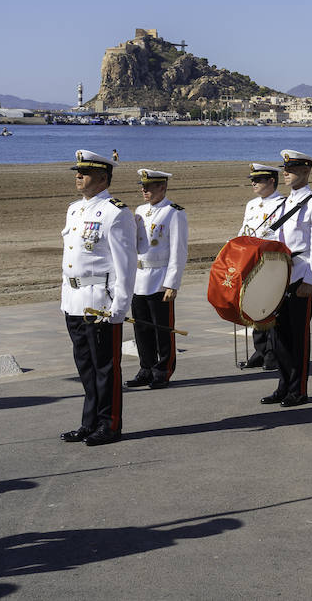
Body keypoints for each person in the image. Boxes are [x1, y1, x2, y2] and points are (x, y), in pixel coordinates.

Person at [60, 150, 137, 446]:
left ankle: (109, 424)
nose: (78, 176)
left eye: (85, 173)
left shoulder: (115, 212)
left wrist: (119, 306)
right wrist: (65, 298)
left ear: (103, 178)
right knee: (85, 366)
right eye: (77, 172)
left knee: (105, 368)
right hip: (74, 300)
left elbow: (125, 264)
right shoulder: (74, 210)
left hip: (100, 302)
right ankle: (89, 422)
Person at [260, 150, 312, 408]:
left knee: (298, 336)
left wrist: (310, 281)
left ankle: (298, 389)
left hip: (300, 275)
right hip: (280, 275)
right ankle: (283, 385)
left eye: (290, 169)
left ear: (305, 171)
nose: (286, 174)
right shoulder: (283, 204)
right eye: (285, 169)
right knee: (279, 335)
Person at [126, 168, 187, 390]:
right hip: (139, 277)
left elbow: (179, 251)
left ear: (162, 187)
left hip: (160, 278)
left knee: (162, 329)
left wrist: (172, 283)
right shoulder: (140, 210)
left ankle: (163, 370)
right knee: (141, 328)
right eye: (142, 187)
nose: (144, 190)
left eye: (149, 187)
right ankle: (146, 368)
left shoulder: (174, 212)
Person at [239, 163, 286, 371]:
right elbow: (244, 231)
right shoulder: (251, 205)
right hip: (252, 262)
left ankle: (272, 353)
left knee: (271, 309)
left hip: (271, 263)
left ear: (271, 181)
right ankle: (259, 350)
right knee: (254, 306)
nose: (253, 183)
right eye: (252, 180)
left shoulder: (283, 204)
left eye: (258, 180)